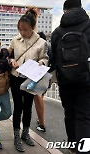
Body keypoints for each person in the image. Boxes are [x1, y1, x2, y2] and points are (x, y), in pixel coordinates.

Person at [51, 0, 90, 153]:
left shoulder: (57, 32)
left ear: (64, 10)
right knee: (84, 116)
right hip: (86, 80)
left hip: (65, 80)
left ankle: (73, 147)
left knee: (69, 114)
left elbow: (53, 59)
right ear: (80, 8)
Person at [8, 7, 48, 152]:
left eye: (26, 30)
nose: (23, 33)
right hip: (16, 77)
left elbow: (45, 58)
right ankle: (16, 136)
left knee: (28, 107)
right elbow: (8, 55)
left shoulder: (41, 42)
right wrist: (11, 61)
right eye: (20, 30)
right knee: (18, 106)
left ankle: (26, 133)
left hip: (32, 78)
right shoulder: (15, 40)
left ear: (33, 28)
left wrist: (41, 63)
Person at [34, 31, 51, 133]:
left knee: (38, 99)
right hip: (48, 76)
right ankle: (40, 119)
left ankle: (42, 123)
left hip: (40, 76)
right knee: (40, 98)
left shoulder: (42, 48)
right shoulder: (49, 46)